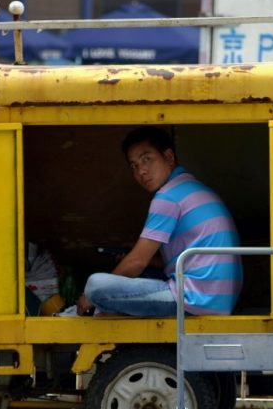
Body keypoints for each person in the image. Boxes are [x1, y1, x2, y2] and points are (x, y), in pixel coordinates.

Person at [77, 126, 243, 317]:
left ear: (169, 157)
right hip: (215, 299)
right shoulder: (190, 187)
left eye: (147, 159)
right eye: (134, 166)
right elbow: (179, 261)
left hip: (194, 299)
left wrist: (88, 297)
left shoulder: (168, 196)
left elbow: (137, 262)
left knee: (97, 285)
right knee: (140, 276)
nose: (141, 171)